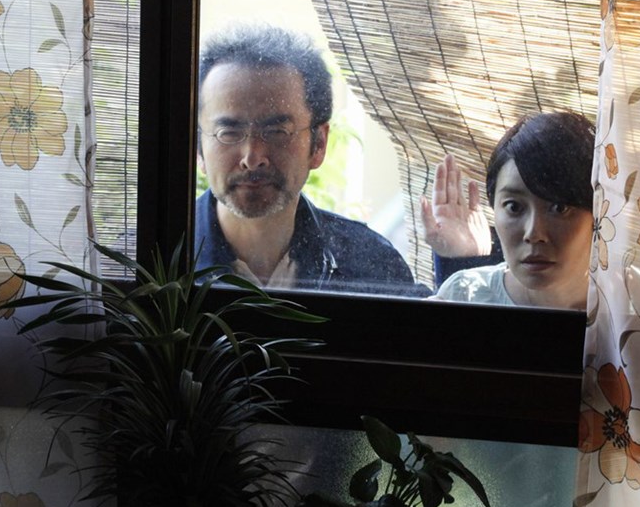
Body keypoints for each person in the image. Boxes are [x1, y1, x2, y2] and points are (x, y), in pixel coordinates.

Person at [195, 23, 427, 296]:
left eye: (277, 132)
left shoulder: (371, 265)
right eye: (229, 133)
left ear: (318, 144)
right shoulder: (158, 260)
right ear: (198, 147)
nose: (252, 158)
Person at [422, 112, 595, 309]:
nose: (533, 234)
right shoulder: (463, 297)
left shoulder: (624, 306)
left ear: (597, 215)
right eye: (514, 207)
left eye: (559, 208)